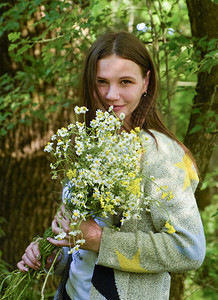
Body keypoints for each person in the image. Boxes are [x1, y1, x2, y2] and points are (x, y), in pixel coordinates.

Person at [17, 31, 206, 300]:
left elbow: (189, 249)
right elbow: (81, 245)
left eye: (125, 81)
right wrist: (51, 256)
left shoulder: (162, 153)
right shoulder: (87, 147)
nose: (111, 94)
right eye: (101, 82)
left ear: (146, 82)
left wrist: (101, 240)